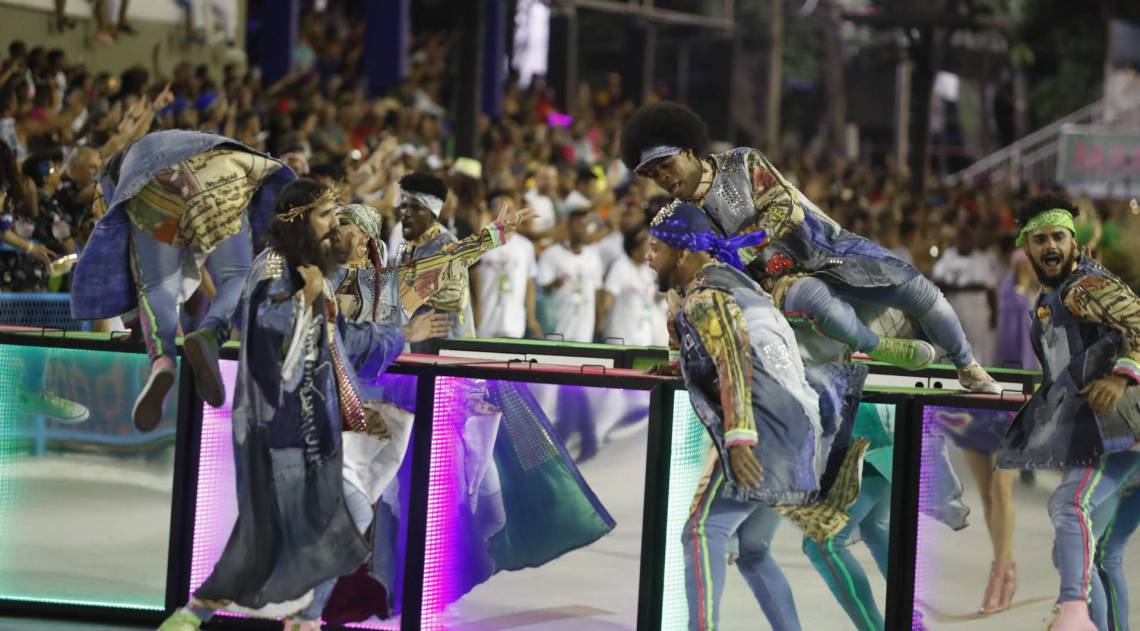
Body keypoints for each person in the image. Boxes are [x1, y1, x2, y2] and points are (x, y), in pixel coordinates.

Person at [157, 179, 449, 631]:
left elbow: (338, 339)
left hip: (311, 424)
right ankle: (216, 615)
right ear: (298, 222)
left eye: (336, 215)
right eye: (326, 216)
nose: (336, 224)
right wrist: (310, 294)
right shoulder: (274, 266)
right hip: (278, 426)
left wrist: (398, 334)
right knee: (284, 534)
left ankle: (281, 619)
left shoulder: (307, 269)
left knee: (319, 525)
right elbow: (268, 323)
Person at [621, 101, 1000, 393]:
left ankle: (968, 367)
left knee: (914, 287)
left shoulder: (742, 161)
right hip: (774, 283)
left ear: (688, 150)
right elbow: (676, 283)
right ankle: (878, 346)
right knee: (817, 300)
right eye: (653, 175)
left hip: (827, 245)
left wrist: (745, 244)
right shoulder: (678, 216)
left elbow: (784, 207)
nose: (662, 178)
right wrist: (675, 359)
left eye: (665, 165)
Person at [647, 200, 867, 631]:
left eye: (656, 248)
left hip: (765, 429)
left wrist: (740, 437)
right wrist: (681, 367)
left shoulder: (705, 296)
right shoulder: (737, 283)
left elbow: (734, 356)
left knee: (700, 532)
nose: (648, 257)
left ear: (683, 253)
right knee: (753, 549)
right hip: (803, 431)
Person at [70, 130, 296, 433]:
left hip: (156, 189)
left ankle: (162, 362)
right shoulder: (182, 141)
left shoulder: (116, 183)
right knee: (237, 274)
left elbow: (128, 271)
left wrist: (140, 330)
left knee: (158, 285)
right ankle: (210, 333)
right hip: (218, 173)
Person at [996, 193, 1140, 631]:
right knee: (1092, 551)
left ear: (1074, 242)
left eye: (1059, 236)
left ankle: (1074, 614)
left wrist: (1120, 377)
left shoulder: (1085, 286)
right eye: (1040, 239)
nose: (1050, 246)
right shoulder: (1048, 300)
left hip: (1121, 432)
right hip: (1111, 437)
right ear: (1027, 247)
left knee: (1069, 506)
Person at [397, 172, 487, 350]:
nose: (406, 213)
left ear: (432, 214)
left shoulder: (445, 245)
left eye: (415, 207)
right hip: (418, 349)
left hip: (445, 351)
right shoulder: (408, 246)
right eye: (404, 206)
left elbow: (410, 292)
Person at [536, 206, 604, 343]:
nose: (583, 229)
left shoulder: (593, 257)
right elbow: (542, 289)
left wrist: (599, 319)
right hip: (557, 329)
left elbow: (597, 291)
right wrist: (554, 283)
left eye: (586, 225)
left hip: (584, 330)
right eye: (579, 225)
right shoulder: (552, 254)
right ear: (569, 226)